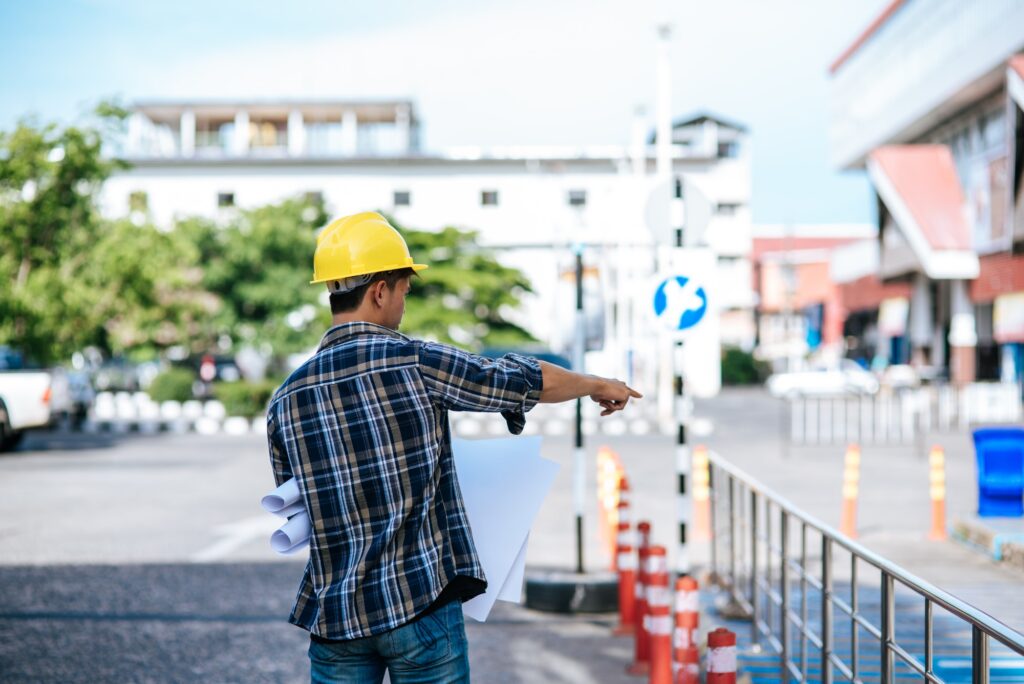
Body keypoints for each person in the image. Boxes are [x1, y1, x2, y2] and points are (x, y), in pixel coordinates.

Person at [266, 212, 641, 683]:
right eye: (404, 288)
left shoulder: (286, 398)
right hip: (419, 605)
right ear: (380, 290)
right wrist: (596, 383)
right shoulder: (414, 361)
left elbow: (293, 505)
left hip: (337, 617)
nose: (404, 301)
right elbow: (517, 380)